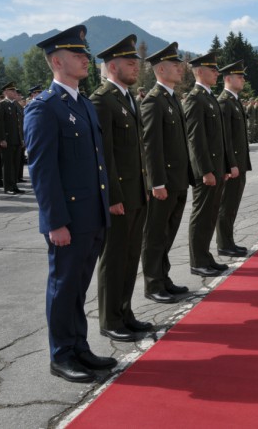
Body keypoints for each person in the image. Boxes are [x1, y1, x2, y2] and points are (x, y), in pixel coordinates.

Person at [23, 25, 115, 383]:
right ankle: (61, 355)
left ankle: (79, 347)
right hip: (69, 220)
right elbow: (42, 172)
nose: (85, 59)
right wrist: (54, 222)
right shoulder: (44, 109)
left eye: (85, 54)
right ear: (57, 61)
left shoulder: (83, 105)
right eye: (78, 55)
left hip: (92, 215)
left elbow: (95, 162)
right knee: (63, 288)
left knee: (78, 287)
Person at [89, 35, 153, 341]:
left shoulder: (128, 98)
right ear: (112, 66)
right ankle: (110, 319)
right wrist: (112, 196)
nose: (136, 68)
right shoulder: (102, 101)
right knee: (114, 259)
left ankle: (125, 312)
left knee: (130, 257)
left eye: (136, 63)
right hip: (119, 197)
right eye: (130, 63)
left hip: (136, 193)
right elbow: (105, 155)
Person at [140, 42, 192, 303]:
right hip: (164, 182)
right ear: (161, 69)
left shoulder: (171, 98)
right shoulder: (153, 101)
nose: (181, 68)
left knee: (168, 233)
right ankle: (153, 284)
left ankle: (164, 276)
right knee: (155, 234)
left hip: (178, 180)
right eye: (175, 65)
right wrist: (156, 181)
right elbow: (151, 145)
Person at [182, 51, 234, 278]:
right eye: (213, 70)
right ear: (200, 72)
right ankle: (197, 261)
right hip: (207, 172)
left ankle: (205, 256)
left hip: (217, 169)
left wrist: (223, 167)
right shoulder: (194, 99)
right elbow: (196, 140)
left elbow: (219, 138)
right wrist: (205, 171)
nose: (216, 73)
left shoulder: (209, 97)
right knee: (202, 214)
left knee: (211, 214)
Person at [216, 60, 252, 257]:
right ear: (228, 78)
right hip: (233, 164)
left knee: (232, 205)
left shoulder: (235, 100)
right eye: (240, 76)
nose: (243, 79)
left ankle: (229, 241)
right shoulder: (224, 102)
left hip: (240, 163)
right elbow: (226, 138)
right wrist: (231, 164)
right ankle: (223, 243)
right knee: (226, 205)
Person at [0, 81, 25, 194]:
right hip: (7, 140)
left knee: (15, 164)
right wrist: (1, 139)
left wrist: (22, 138)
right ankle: (8, 187)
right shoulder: (2, 104)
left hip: (17, 139)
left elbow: (20, 124)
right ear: (5, 92)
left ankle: (14, 185)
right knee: (8, 164)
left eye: (14, 90)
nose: (14, 92)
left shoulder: (16, 105)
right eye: (12, 90)